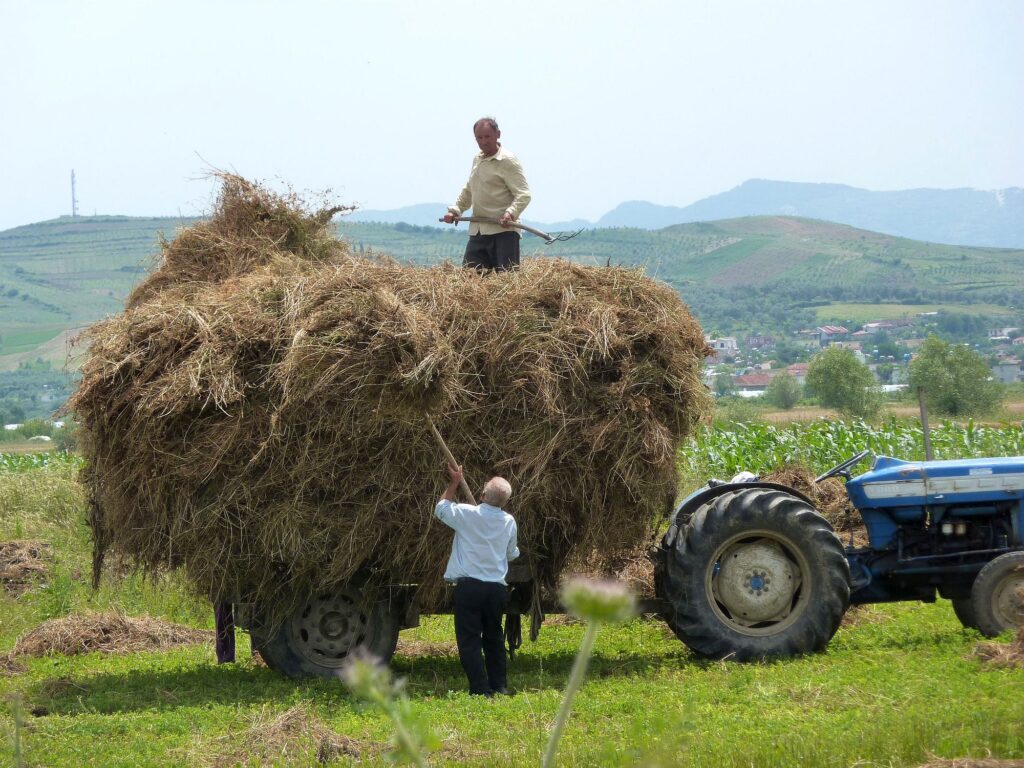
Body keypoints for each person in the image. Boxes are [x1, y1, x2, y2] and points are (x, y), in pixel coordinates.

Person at [435, 463, 520, 696]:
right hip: (496, 590)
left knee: (470, 640)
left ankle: (481, 689)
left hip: (470, 588)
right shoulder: (509, 522)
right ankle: (499, 686)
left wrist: (454, 482)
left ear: (482, 495)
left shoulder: (467, 513)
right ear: (505, 502)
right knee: (494, 637)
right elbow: (512, 553)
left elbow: (441, 509)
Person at [443, 116, 532, 272]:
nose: (484, 142)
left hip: (504, 232)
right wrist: (455, 210)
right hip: (478, 231)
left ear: (498, 134)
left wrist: (510, 214)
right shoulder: (477, 159)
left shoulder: (508, 161)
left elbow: (524, 194)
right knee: (470, 279)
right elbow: (470, 189)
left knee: (506, 282)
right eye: (479, 138)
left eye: (487, 137)